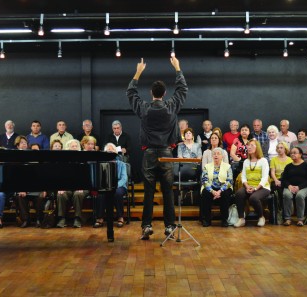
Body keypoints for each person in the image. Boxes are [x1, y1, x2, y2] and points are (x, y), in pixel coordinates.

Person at [127, 56, 187, 240]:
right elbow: (182, 89)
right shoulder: (171, 108)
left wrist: (138, 72)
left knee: (148, 192)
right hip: (167, 154)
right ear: (164, 93)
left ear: (152, 93)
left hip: (150, 154)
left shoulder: (145, 109)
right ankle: (169, 227)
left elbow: (131, 93)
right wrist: (177, 67)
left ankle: (146, 226)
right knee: (168, 192)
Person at [56, 136, 95, 228]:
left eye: (76, 146)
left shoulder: (83, 160)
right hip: (68, 187)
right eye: (72, 146)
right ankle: (61, 218)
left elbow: (88, 176)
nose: (75, 148)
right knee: (61, 194)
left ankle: (77, 218)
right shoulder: (64, 162)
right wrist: (61, 187)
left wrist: (81, 186)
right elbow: (61, 176)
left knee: (78, 194)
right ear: (68, 148)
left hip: (82, 187)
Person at [233, 139, 271, 227]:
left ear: (257, 148)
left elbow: (265, 177)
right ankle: (241, 218)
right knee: (239, 194)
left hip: (262, 187)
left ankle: (261, 217)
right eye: (248, 145)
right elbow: (243, 177)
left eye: (252, 145)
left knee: (253, 198)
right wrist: (247, 187)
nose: (249, 147)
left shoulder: (263, 161)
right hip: (249, 186)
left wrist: (256, 188)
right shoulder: (246, 162)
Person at [93, 143, 128, 228]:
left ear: (115, 152)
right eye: (108, 150)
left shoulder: (122, 164)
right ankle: (100, 218)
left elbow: (124, 178)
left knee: (117, 193)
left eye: (112, 150)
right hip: (105, 186)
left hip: (119, 186)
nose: (110, 151)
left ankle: (120, 217)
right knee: (100, 194)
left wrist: (116, 185)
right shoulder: (101, 163)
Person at [200, 147, 233, 227]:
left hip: (223, 187)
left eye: (218, 154)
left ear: (222, 156)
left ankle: (224, 220)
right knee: (205, 193)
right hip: (210, 187)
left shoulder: (227, 166)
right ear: (212, 156)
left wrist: (220, 191)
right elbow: (204, 180)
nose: (216, 155)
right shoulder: (207, 166)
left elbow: (229, 181)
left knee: (225, 194)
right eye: (214, 154)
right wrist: (212, 191)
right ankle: (206, 220)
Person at [281, 147, 307, 227]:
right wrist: (289, 186)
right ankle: (287, 218)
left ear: (300, 154)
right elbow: (284, 179)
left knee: (300, 195)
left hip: (304, 187)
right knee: (287, 195)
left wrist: (299, 187)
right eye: (291, 153)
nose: (292, 154)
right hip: (290, 186)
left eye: (295, 152)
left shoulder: (306, 165)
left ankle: (300, 219)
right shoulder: (288, 166)